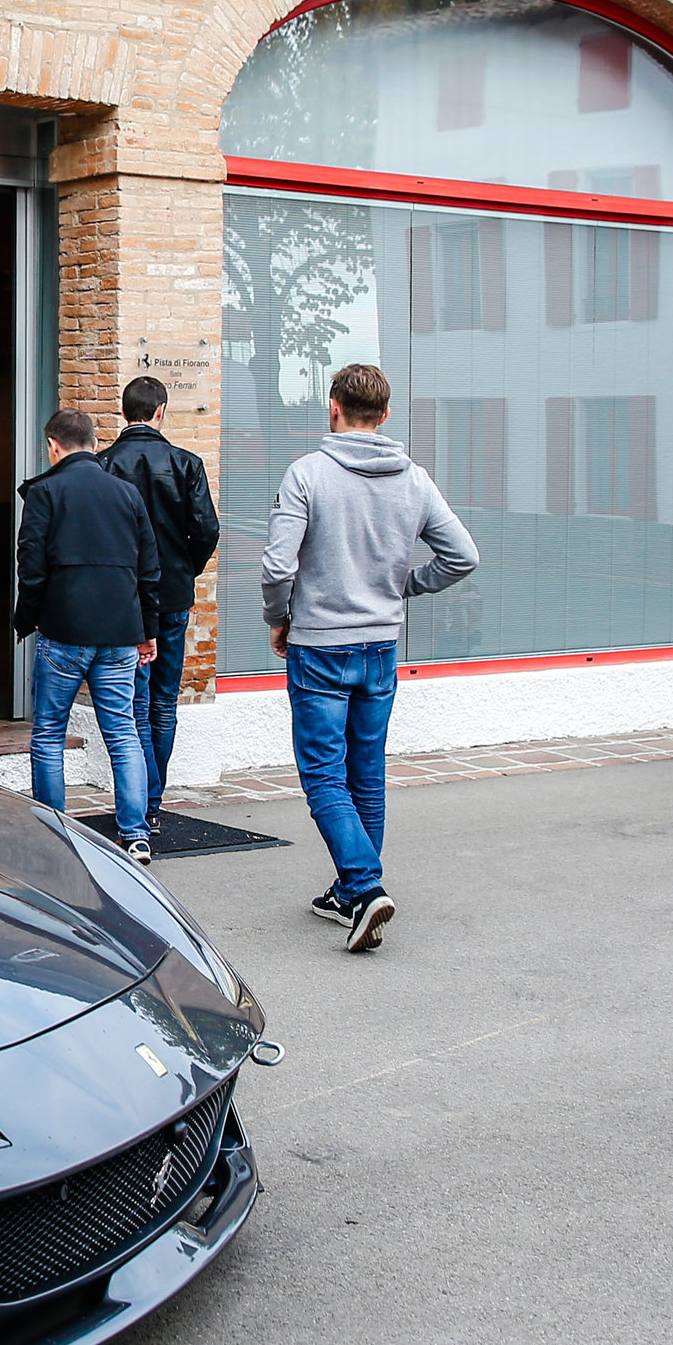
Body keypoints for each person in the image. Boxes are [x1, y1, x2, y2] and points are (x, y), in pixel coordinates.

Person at [260, 363, 479, 953]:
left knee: (325, 776)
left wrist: (282, 620)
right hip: (380, 647)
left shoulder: (307, 474)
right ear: (384, 416)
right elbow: (463, 556)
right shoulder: (414, 480)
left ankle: (362, 885)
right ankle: (347, 892)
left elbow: (279, 566)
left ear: (333, 407)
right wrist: (404, 585)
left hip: (320, 647)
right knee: (366, 773)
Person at [14, 408, 159, 863]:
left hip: (65, 629)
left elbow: (31, 566)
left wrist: (27, 619)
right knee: (122, 731)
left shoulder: (45, 493)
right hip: (119, 630)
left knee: (49, 733)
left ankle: (55, 831)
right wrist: (148, 632)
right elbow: (148, 570)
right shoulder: (127, 494)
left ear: (52, 446)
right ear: (95, 444)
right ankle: (135, 834)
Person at [98, 374, 221, 830]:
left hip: (123, 597)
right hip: (171, 594)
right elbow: (207, 529)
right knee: (164, 700)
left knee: (134, 702)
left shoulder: (105, 464)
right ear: (162, 411)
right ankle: (151, 800)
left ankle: (139, 799)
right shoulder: (186, 463)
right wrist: (186, 569)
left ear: (123, 411)